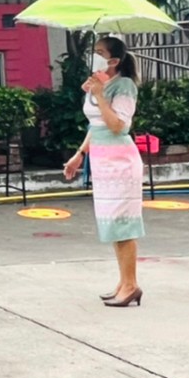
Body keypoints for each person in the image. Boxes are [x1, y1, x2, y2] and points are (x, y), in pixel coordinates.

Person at [64, 36, 144, 307]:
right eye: (94, 51)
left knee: (123, 223)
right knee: (112, 223)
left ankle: (131, 284)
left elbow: (118, 126)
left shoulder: (124, 86)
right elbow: (96, 125)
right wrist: (79, 154)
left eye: (100, 52)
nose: (94, 55)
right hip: (102, 160)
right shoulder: (98, 83)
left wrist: (99, 95)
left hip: (120, 161)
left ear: (114, 60)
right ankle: (123, 281)